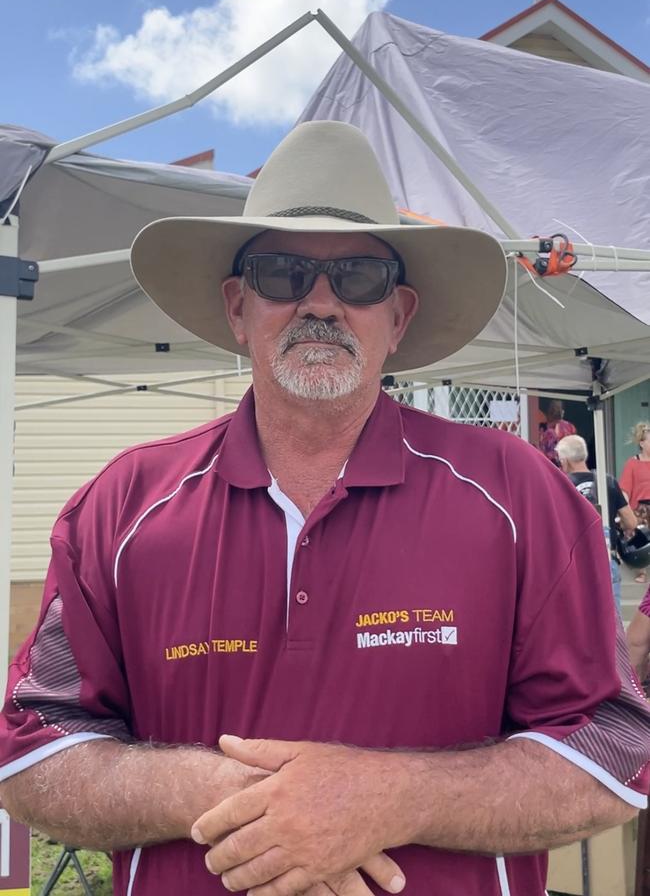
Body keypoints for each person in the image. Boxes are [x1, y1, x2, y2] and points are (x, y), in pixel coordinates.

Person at [0, 121, 649, 896]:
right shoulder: (123, 506)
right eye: (280, 274)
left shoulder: (519, 493)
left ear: (399, 316)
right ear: (238, 308)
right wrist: (231, 797)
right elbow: (31, 750)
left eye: (360, 278)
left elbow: (615, 746)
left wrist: (391, 798)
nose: (320, 303)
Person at [556, 433, 638, 612]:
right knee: (612, 620)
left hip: (573, 561)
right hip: (607, 556)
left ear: (565, 460)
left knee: (579, 618)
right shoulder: (607, 481)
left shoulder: (561, 485)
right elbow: (631, 522)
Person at [620, 422, 650, 583]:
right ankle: (641, 570)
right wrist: (625, 511)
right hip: (640, 507)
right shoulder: (632, 463)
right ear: (642, 443)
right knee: (638, 534)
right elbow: (625, 490)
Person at [538, 398, 576, 466]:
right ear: (548, 411)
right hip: (545, 465)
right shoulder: (541, 428)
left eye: (558, 408)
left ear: (562, 411)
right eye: (553, 408)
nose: (555, 410)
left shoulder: (569, 427)